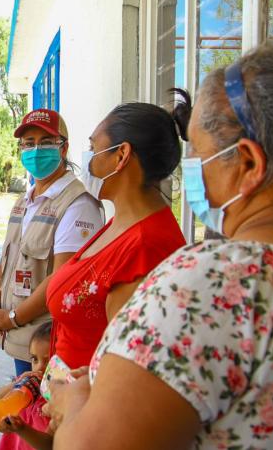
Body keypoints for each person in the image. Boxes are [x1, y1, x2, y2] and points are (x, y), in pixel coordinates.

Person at [48, 46, 273, 449]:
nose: (191, 169)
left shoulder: (210, 286)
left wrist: (74, 403)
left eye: (198, 152)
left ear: (248, 164)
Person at [45, 98, 188, 370]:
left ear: (121, 156)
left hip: (89, 404)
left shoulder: (147, 248)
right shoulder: (121, 224)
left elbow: (125, 368)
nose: (88, 159)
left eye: (93, 148)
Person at [0, 109, 103, 376]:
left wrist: (13, 318)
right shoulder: (24, 201)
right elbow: (7, 259)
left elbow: (63, 278)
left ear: (64, 148)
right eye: (28, 143)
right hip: (21, 340)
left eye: (46, 143)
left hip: (51, 347)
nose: (36, 150)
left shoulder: (77, 204)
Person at [0, 321, 54, 450]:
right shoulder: (25, 384)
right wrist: (17, 382)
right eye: (35, 359)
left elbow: (50, 445)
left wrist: (21, 429)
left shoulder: (56, 399)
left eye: (47, 360)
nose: (39, 367)